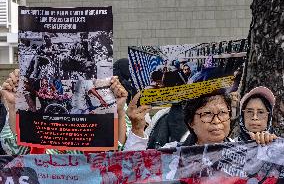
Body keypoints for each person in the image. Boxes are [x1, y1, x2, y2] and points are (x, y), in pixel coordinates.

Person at [0, 69, 128, 155]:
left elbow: (116, 151)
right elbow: (15, 150)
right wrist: (13, 107)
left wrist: (120, 112)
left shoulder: (106, 89)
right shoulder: (33, 102)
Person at [124, 92, 277, 151]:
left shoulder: (244, 150)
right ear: (191, 122)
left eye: (223, 113)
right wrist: (137, 129)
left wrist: (267, 148)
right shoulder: (172, 153)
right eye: (207, 114)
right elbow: (134, 172)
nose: (216, 121)